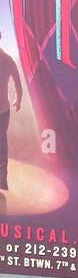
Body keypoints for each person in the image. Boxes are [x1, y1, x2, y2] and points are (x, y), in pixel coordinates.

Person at [0, 29, 22, 195]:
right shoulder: (8, 59)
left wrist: (19, 99)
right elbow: (18, 86)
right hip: (4, 109)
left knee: (1, 142)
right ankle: (2, 180)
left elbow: (18, 86)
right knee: (1, 142)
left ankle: (2, 179)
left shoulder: (8, 60)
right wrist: (18, 99)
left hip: (3, 110)